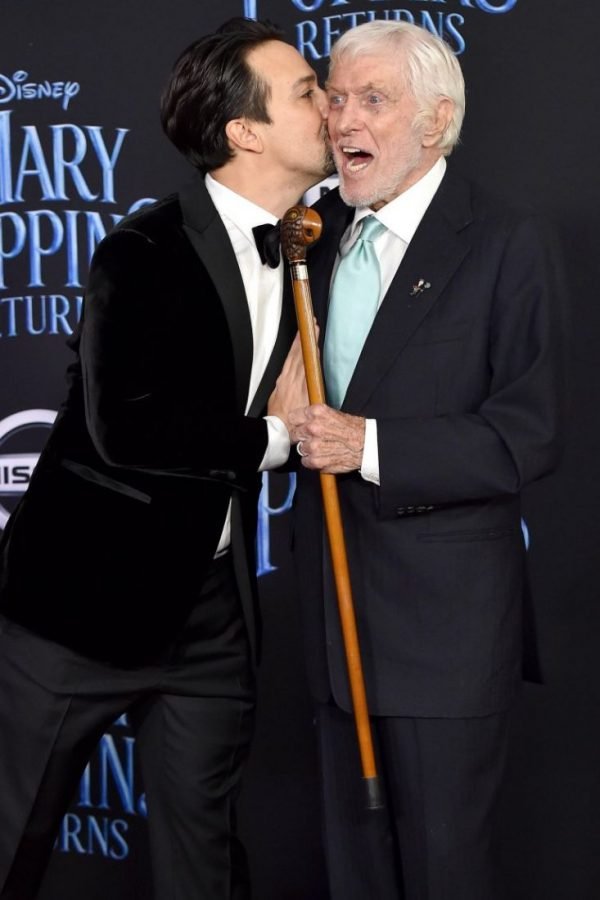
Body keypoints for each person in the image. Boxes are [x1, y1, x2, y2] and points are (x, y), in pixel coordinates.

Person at [0, 17, 331, 900]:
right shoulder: (141, 253)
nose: (330, 104)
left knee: (206, 864)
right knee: (11, 840)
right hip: (76, 608)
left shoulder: (318, 244)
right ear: (245, 131)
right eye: (307, 91)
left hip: (212, 613)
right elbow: (130, 429)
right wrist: (278, 440)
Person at [277, 20, 567, 900]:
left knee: (445, 874)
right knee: (356, 876)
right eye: (335, 97)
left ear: (437, 121)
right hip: (332, 630)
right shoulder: (311, 237)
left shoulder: (505, 241)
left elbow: (527, 434)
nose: (343, 119)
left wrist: (368, 445)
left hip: (444, 640)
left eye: (373, 99)